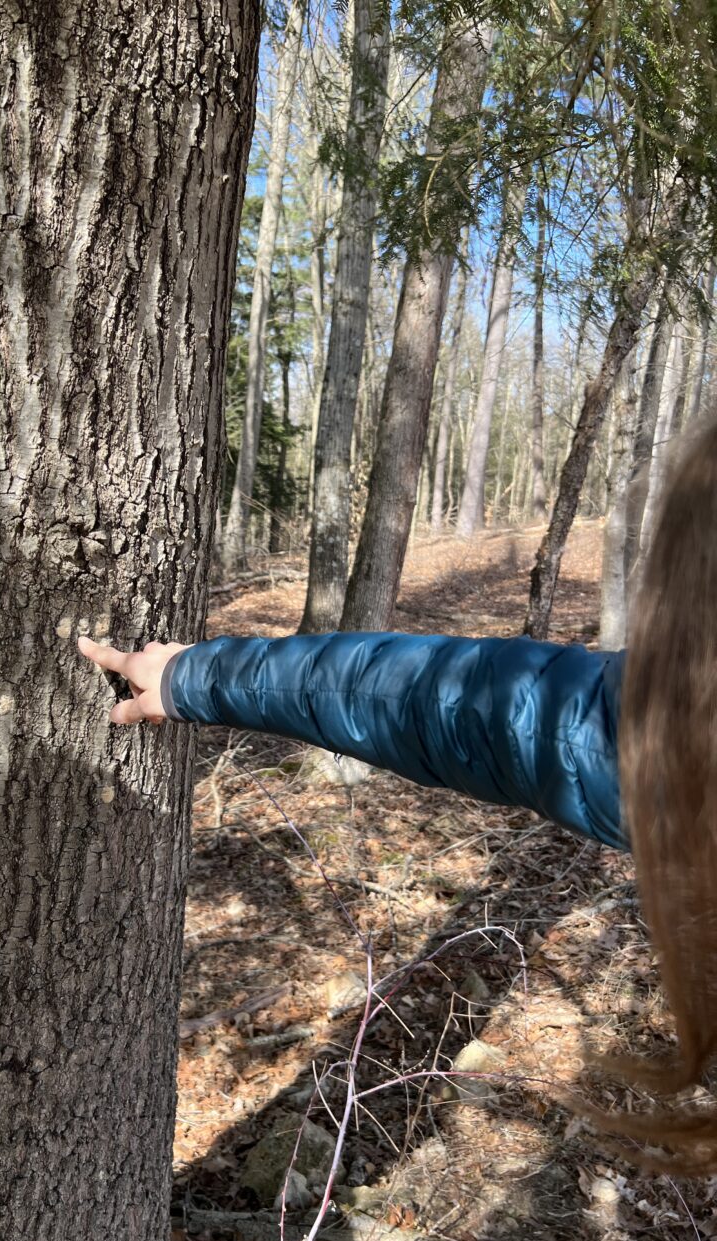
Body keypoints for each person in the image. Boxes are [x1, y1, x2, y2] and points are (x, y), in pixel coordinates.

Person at [79, 413, 717, 1174]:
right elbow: (459, 704)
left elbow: (469, 707)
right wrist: (196, 677)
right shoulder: (673, 745)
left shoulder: (683, 748)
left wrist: (196, 679)